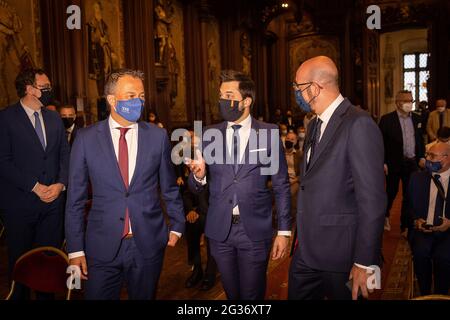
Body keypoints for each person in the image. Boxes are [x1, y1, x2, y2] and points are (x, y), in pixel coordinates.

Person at [65, 69, 185, 300]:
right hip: (101, 246)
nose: (138, 102)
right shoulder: (86, 139)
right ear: (112, 100)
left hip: (148, 243)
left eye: (141, 96)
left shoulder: (157, 137)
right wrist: (75, 249)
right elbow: (75, 200)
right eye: (131, 96)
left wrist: (178, 224)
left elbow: (169, 187)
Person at [187, 70, 291, 300]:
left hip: (253, 230)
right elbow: (194, 188)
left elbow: (282, 186)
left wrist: (284, 232)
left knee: (252, 296)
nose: (222, 100)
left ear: (246, 101)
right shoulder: (208, 134)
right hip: (219, 231)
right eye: (221, 95)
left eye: (229, 94)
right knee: (232, 294)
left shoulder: (268, 133)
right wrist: (199, 176)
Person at [288, 56, 386, 300]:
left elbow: (372, 199)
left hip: (342, 253)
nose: (296, 94)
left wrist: (364, 262)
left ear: (313, 88)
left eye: (298, 88)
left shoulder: (359, 123)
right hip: (306, 249)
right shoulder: (313, 125)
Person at [0, 68, 70, 299]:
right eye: (45, 86)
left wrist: (60, 184)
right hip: (20, 205)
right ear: (30, 89)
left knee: (48, 267)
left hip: (52, 205)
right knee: (21, 263)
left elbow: (64, 155)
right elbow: (3, 161)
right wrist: (34, 186)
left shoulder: (54, 118)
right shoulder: (6, 118)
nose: (50, 90)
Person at [379, 90, 425, 234]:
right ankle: (385, 215)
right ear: (398, 103)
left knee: (409, 194)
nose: (409, 104)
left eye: (411, 100)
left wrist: (421, 156)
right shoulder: (387, 119)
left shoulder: (417, 119)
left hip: (411, 162)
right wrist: (383, 162)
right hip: (393, 162)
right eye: (406, 101)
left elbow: (420, 140)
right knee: (391, 192)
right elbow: (380, 143)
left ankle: (405, 226)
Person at [408, 142, 450, 295]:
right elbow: (408, 209)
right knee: (420, 254)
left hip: (448, 233)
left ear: (446, 158)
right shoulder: (416, 178)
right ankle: (425, 294)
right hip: (424, 231)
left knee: (444, 258)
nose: (427, 159)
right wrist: (415, 221)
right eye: (427, 155)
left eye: (432, 156)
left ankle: (441, 294)